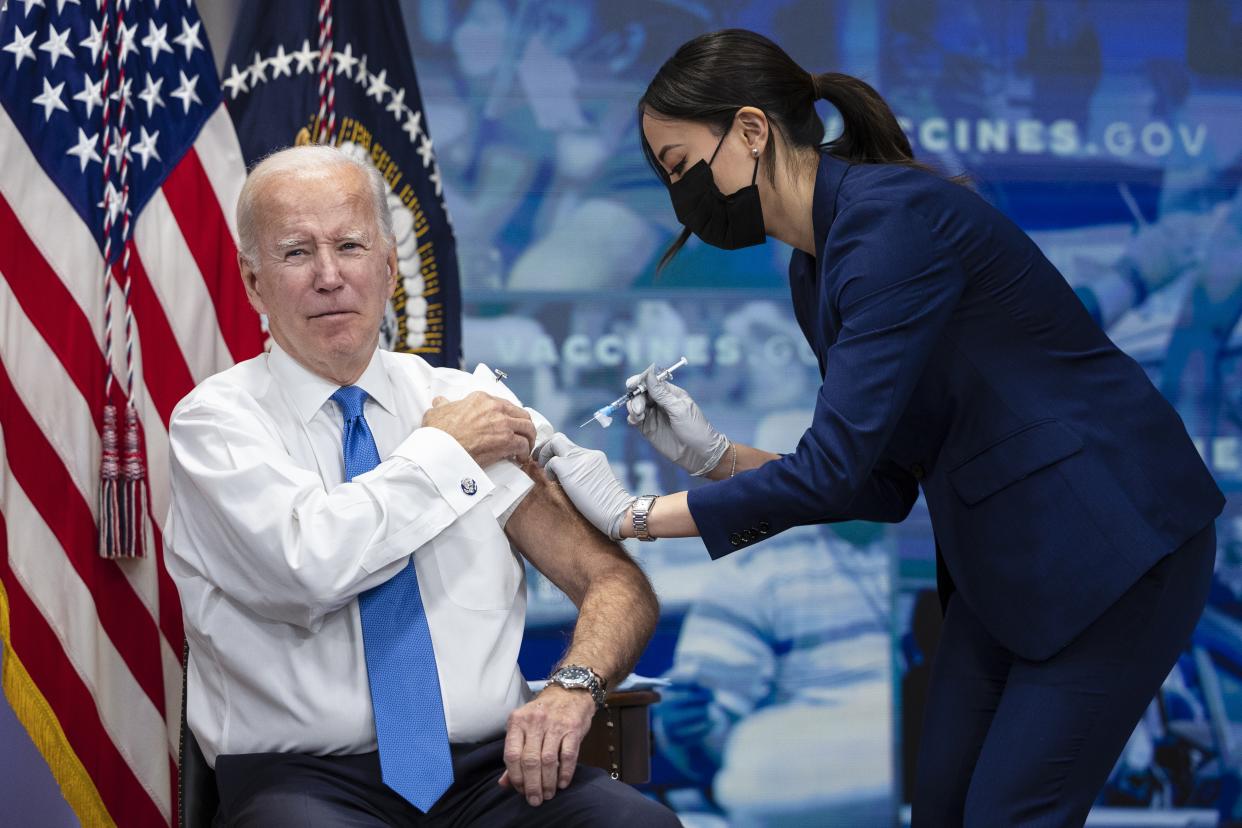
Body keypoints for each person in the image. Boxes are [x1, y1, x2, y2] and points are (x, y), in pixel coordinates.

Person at [538, 29, 1225, 826]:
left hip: (1114, 541)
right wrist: (719, 458)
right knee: (940, 808)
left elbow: (831, 471)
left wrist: (635, 518)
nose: (680, 197)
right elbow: (879, 481)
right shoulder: (817, 264)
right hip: (1008, 562)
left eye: (683, 166)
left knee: (1010, 814)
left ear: (752, 131)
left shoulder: (890, 228)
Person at [164, 144, 679, 828]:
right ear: (254, 284)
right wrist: (445, 451)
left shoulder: (469, 403)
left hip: (491, 773)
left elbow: (613, 581)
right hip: (306, 785)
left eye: (350, 246)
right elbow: (307, 567)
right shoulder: (216, 423)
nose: (328, 276)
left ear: (386, 266)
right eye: (295, 253)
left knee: (639, 826)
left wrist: (574, 686)